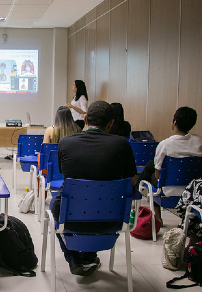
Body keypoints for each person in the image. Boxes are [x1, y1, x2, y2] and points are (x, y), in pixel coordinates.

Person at [53, 101, 137, 276]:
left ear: (84, 118)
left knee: (56, 206)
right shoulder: (122, 144)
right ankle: (90, 256)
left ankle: (74, 257)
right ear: (111, 123)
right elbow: (132, 181)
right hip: (112, 219)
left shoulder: (66, 142)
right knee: (96, 204)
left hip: (70, 217)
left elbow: (65, 175)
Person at [137, 106, 202, 223]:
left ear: (174, 122)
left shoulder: (165, 144)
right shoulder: (199, 141)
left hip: (168, 191)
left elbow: (158, 175)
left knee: (152, 173)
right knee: (151, 166)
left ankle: (157, 217)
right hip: (194, 191)